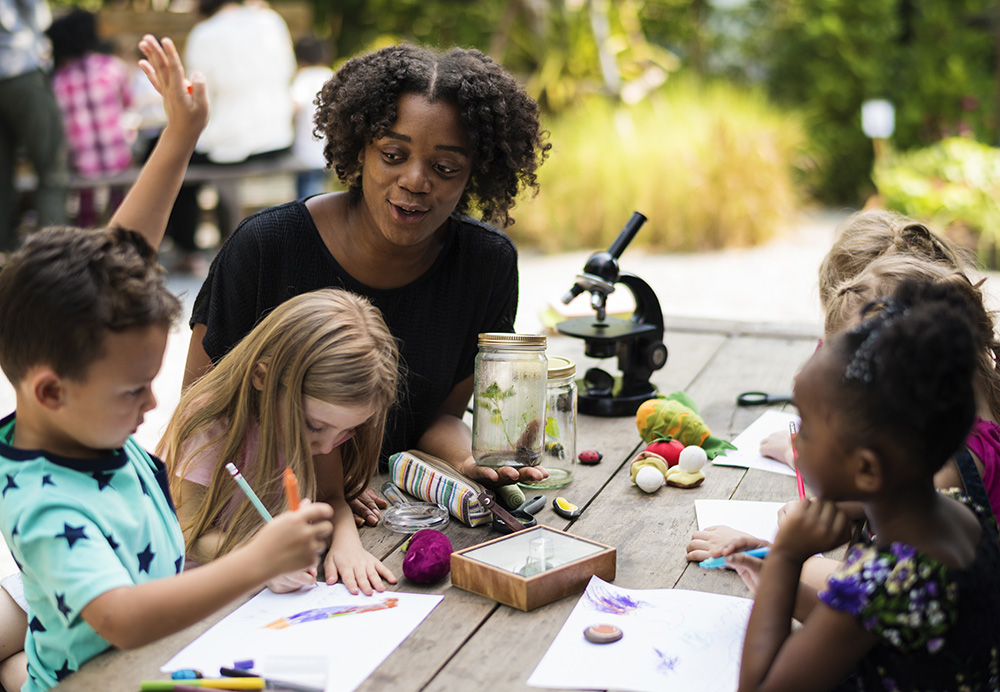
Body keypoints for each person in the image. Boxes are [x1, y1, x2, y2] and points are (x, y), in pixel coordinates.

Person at [0, 35, 334, 692]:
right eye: (133, 391)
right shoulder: (45, 505)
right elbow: (121, 619)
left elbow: (118, 255)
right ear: (50, 391)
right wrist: (251, 563)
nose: (153, 406)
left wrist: (180, 136)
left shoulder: (82, 416)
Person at [183, 43, 552, 526]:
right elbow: (200, 414)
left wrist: (467, 461)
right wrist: (319, 487)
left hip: (392, 510)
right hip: (269, 508)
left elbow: (439, 417)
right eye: (393, 154)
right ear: (360, 149)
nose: (415, 181)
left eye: (444, 168)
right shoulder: (267, 246)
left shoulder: (486, 263)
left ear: (474, 174)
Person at [725, 279, 1000, 692]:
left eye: (807, 427)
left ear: (867, 470)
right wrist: (778, 585)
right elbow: (868, 622)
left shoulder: (887, 576)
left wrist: (786, 558)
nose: (795, 439)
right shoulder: (963, 513)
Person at [160, 288, 400, 596]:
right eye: (315, 426)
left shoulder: (323, 426)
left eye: (345, 433)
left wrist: (346, 544)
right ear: (263, 377)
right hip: (204, 596)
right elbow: (187, 533)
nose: (327, 448)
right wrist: (262, 562)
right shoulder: (210, 424)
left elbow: (331, 497)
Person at [164, 0, 296, 274]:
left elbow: (198, 92)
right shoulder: (271, 21)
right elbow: (288, 71)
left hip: (227, 141)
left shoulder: (205, 33)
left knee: (173, 163)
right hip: (276, 137)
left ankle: (189, 251)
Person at [46, 9, 132, 227]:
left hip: (81, 163)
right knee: (122, 209)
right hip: (118, 158)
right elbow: (128, 102)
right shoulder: (112, 67)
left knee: (85, 216)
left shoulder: (58, 80)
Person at [0, 0, 66, 253]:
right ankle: (57, 256)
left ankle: (4, 254)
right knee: (51, 171)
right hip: (21, 71)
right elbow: (40, 19)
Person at [291, 35, 332, 199]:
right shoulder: (330, 75)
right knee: (320, 195)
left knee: (306, 199)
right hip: (328, 151)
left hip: (306, 152)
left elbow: (294, 105)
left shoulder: (304, 78)